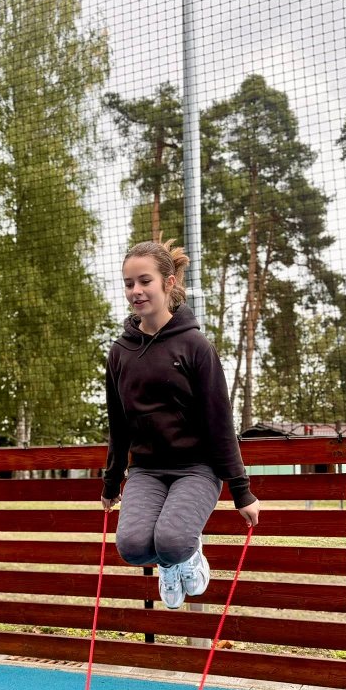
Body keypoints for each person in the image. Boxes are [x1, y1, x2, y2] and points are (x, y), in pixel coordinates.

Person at [101, 239, 260, 609]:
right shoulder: (120, 353)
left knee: (172, 541)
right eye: (129, 284)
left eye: (145, 281)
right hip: (147, 470)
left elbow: (220, 422)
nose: (136, 291)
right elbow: (118, 424)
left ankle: (184, 554)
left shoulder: (195, 346)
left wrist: (242, 492)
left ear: (168, 283)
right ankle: (173, 562)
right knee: (132, 548)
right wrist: (111, 482)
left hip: (197, 468)